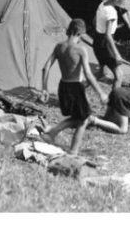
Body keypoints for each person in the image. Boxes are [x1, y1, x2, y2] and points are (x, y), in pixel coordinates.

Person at [40, 19, 108, 155]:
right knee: (83, 120)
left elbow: (45, 67)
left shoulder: (59, 47)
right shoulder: (80, 50)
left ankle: (51, 134)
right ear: (80, 33)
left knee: (78, 117)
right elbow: (88, 74)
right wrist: (101, 92)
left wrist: (44, 88)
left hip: (63, 86)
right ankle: (73, 151)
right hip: (75, 88)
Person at [93, 0, 130, 89]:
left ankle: (81, 87)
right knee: (119, 76)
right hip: (106, 44)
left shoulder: (102, 4)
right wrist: (117, 54)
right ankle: (114, 102)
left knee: (101, 72)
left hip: (97, 41)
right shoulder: (112, 12)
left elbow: (95, 21)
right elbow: (108, 35)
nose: (124, 2)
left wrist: (113, 27)